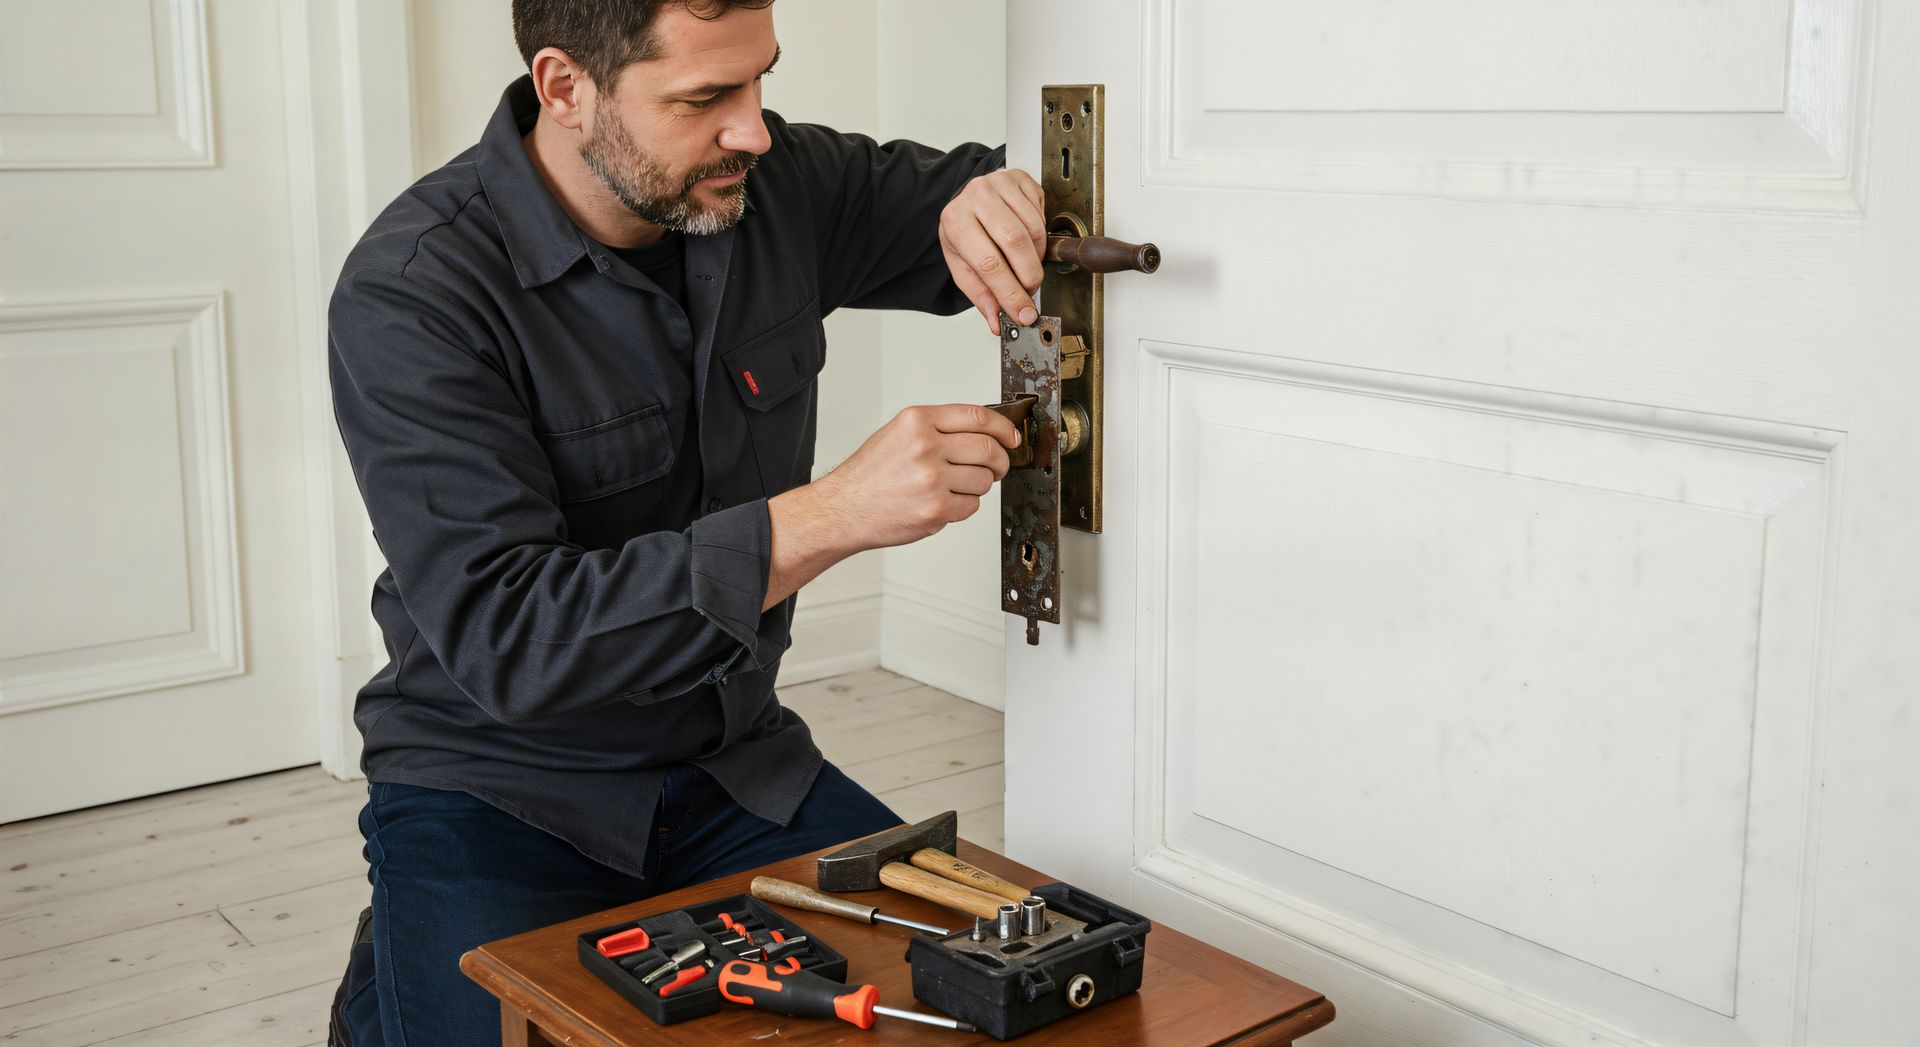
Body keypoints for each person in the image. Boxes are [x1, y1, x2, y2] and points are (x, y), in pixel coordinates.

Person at [323, 0, 1046, 1042]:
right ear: (566, 88)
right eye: (707, 97)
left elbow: (1006, 199)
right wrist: (831, 515)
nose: (755, 127)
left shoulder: (772, 181)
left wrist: (1004, 198)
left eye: (761, 82)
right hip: (499, 793)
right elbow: (512, 639)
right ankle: (393, 980)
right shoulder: (415, 290)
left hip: (735, 771)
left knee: (999, 995)